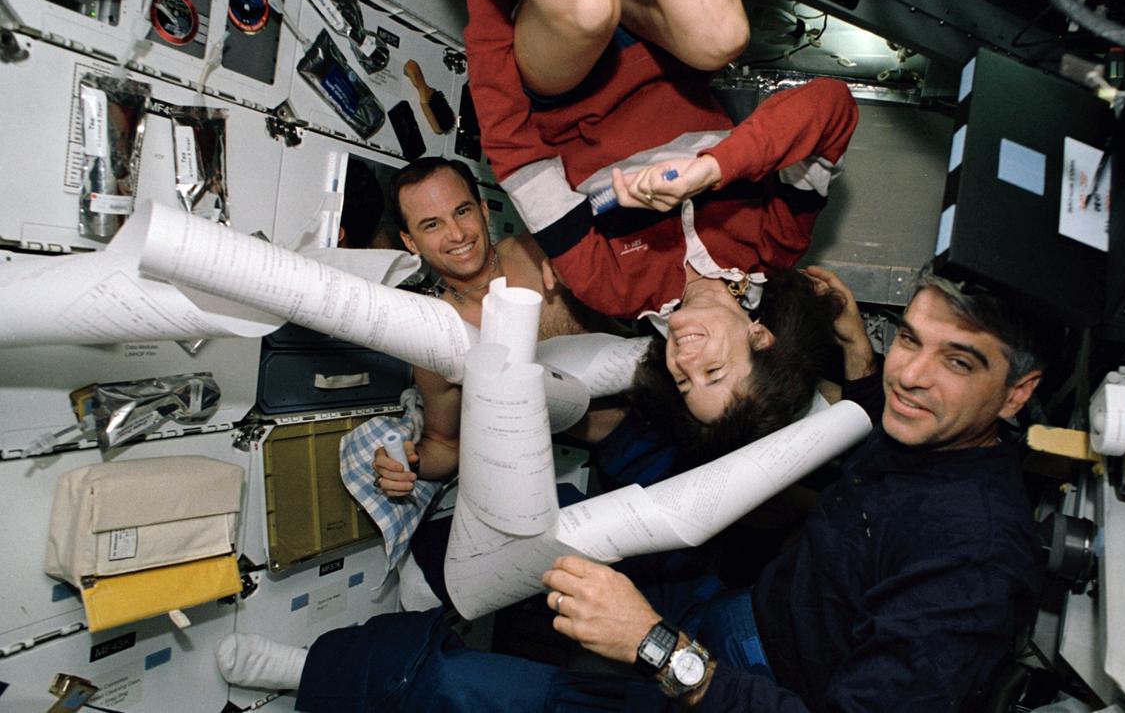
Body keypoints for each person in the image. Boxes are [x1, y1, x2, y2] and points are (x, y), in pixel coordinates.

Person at [216, 269, 1047, 711]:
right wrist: (860, 355)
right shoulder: (918, 424)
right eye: (911, 338)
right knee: (545, 582)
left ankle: (308, 673)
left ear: (1017, 393)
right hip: (748, 610)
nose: (913, 374)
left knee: (454, 690)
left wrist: (657, 646)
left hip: (745, 689)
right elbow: (873, 409)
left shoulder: (974, 557)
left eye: (958, 360)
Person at [452, 0, 861, 429]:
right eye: (712, 372)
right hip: (659, 44)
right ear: (759, 337)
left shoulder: (614, 288)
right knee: (722, 36)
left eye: (685, 382)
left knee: (588, 6)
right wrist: (713, 169)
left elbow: (519, 159)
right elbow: (832, 107)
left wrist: (492, 3)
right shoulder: (774, 243)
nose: (684, 363)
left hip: (563, 81)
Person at [376, 156, 616, 483]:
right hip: (613, 454)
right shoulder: (437, 337)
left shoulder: (542, 253)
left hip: (671, 386)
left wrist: (586, 265)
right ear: (410, 242)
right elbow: (445, 445)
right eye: (432, 224)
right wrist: (408, 463)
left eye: (462, 211)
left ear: (484, 210)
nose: (457, 234)